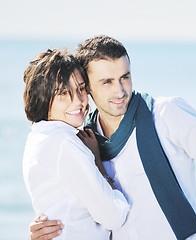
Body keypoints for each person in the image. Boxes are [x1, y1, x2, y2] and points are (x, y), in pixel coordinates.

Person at [29, 36, 196, 240]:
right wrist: (46, 230)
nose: (120, 90)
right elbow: (74, 207)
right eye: (106, 82)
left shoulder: (165, 114)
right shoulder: (82, 140)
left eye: (125, 77)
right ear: (88, 87)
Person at [23, 49, 130, 239]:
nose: (78, 101)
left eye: (81, 88)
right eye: (63, 93)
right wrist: (97, 162)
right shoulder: (64, 143)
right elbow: (114, 216)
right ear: (43, 97)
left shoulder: (37, 137)